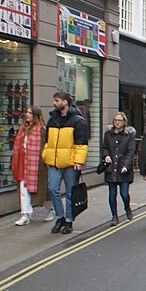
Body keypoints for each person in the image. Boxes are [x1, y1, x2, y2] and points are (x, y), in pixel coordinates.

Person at [41, 91, 88, 235]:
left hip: (70, 163)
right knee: (52, 189)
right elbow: (48, 141)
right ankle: (60, 217)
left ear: (65, 102)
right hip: (54, 163)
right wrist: (46, 155)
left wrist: (79, 161)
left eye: (57, 100)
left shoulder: (78, 121)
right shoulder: (52, 120)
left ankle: (68, 220)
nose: (54, 103)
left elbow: (81, 144)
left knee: (69, 193)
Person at [10, 106, 46, 226]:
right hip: (23, 162)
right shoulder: (22, 129)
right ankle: (25, 214)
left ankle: (52, 210)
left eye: (30, 113)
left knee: (43, 190)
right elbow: (18, 146)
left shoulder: (41, 130)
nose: (27, 114)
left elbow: (44, 147)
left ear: (35, 115)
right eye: (26, 112)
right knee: (23, 189)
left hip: (37, 164)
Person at [101, 112, 136, 226]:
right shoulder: (108, 134)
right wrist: (106, 156)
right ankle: (114, 216)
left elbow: (130, 152)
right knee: (112, 194)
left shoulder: (129, 135)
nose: (117, 122)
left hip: (123, 169)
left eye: (120, 120)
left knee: (124, 194)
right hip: (111, 168)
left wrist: (126, 166)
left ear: (124, 122)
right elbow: (104, 147)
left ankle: (127, 207)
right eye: (115, 120)